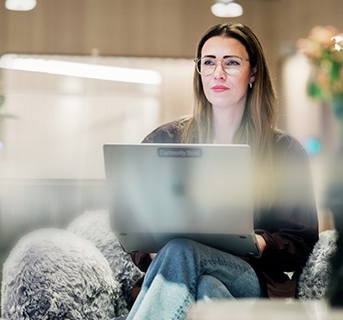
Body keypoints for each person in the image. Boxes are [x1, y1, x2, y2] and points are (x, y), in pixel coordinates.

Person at [127, 23, 319, 319]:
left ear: (253, 73)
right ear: (199, 71)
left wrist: (259, 242)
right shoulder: (164, 141)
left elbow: (302, 240)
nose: (218, 73)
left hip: (249, 275)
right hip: (185, 275)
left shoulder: (284, 151)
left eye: (230, 63)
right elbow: (134, 222)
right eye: (208, 62)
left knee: (182, 250)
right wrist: (158, 253)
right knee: (206, 288)